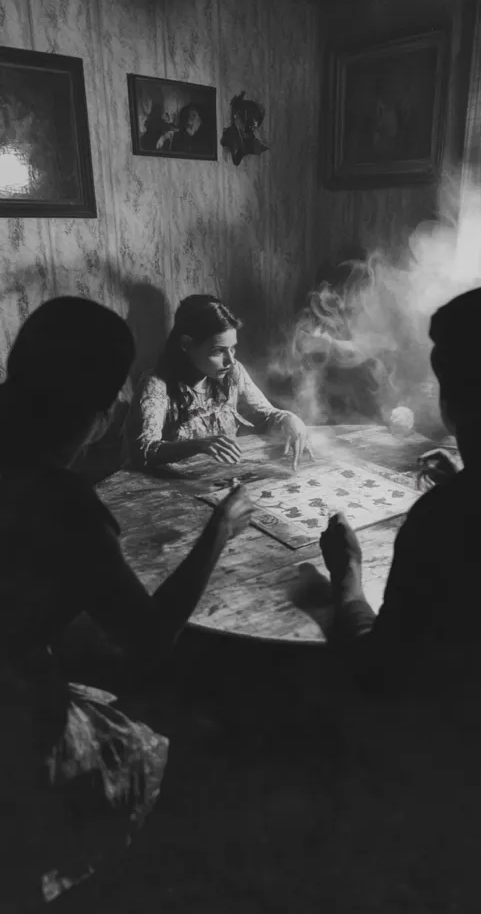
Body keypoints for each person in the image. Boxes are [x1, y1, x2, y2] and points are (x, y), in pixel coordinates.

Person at [0, 296, 254, 905]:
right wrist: (219, 529)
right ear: (100, 411)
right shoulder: (63, 505)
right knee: (158, 746)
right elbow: (146, 640)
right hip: (15, 720)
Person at [319, 282, 481, 705]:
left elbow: (375, 674)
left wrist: (347, 574)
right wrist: (464, 481)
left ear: (451, 400)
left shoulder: (442, 520)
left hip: (465, 748)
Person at [124, 294, 313, 471]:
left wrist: (289, 419)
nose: (230, 360)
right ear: (186, 345)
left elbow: (265, 414)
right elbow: (144, 450)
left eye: (232, 349)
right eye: (218, 351)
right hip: (175, 487)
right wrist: (198, 445)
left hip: (223, 477)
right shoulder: (157, 383)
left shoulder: (233, 371)